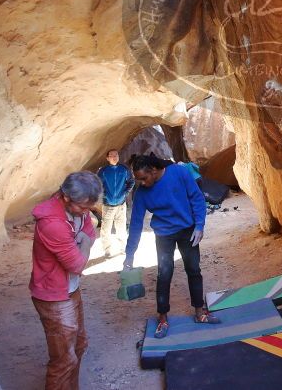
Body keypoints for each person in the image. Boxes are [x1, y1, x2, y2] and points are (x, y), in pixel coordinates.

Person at [123, 153, 219, 339]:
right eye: (138, 180)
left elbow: (197, 198)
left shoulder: (178, 173)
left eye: (144, 178)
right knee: (164, 274)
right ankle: (162, 318)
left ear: (153, 170)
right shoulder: (142, 193)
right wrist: (130, 254)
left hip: (187, 230)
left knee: (193, 270)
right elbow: (135, 223)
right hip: (164, 234)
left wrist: (199, 225)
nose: (141, 183)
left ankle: (200, 313)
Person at [29, 171, 102, 390]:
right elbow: (77, 265)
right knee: (63, 360)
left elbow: (90, 229)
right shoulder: (52, 223)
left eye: (89, 207)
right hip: (54, 296)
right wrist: (86, 243)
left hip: (70, 290)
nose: (86, 212)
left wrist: (85, 240)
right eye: (83, 207)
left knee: (79, 345)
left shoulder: (78, 208)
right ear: (66, 197)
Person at [97, 149, 135, 257]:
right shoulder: (103, 171)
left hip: (121, 204)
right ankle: (107, 249)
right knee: (106, 228)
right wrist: (104, 195)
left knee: (121, 227)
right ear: (107, 158)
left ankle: (123, 248)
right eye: (112, 155)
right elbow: (98, 184)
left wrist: (125, 193)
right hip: (108, 204)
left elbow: (131, 181)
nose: (114, 157)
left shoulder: (124, 169)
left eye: (116, 155)